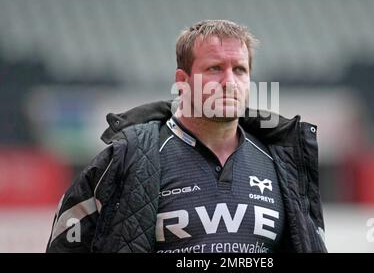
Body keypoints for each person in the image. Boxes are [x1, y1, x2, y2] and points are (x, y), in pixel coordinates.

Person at [46, 19, 327, 253]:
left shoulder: (283, 163)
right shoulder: (125, 158)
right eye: (215, 68)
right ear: (182, 81)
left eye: (239, 70)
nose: (229, 82)